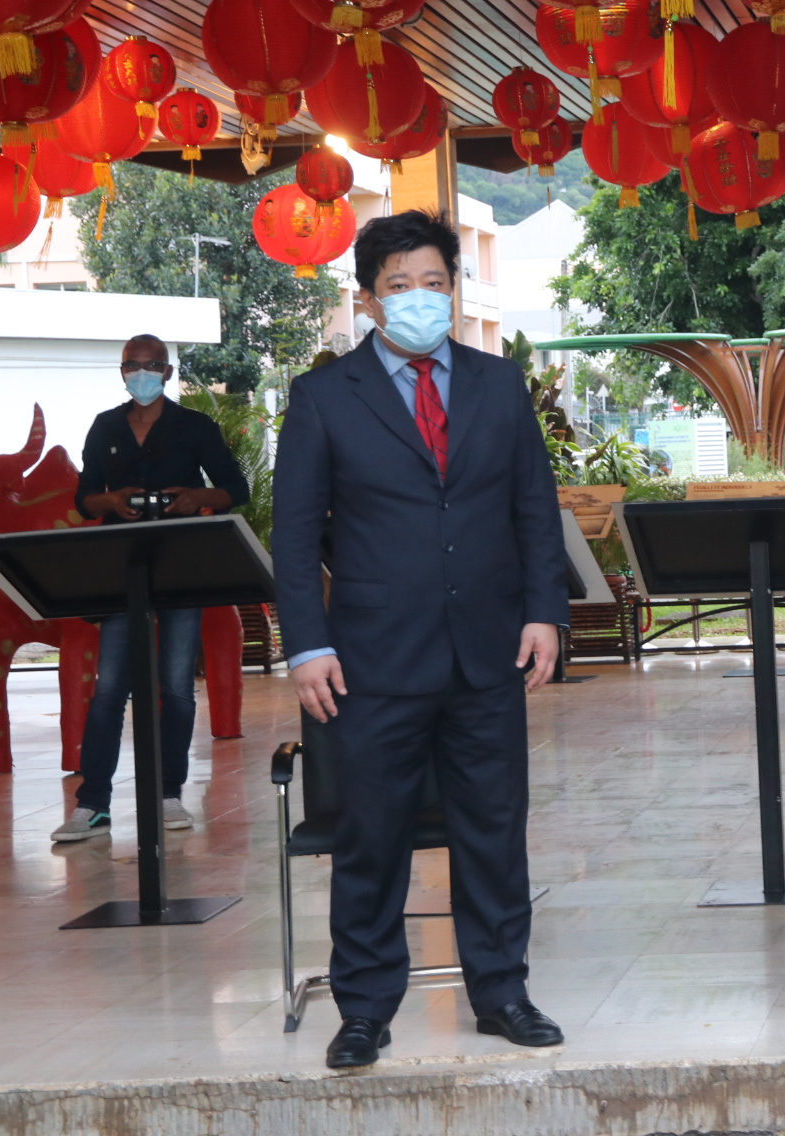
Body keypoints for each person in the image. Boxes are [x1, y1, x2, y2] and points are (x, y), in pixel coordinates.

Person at [273, 210, 570, 1070]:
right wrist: (307, 646)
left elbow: (532, 511)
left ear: (455, 290)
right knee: (373, 836)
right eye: (398, 287)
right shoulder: (325, 396)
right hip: (368, 662)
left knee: (492, 829)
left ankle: (503, 993)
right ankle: (364, 1007)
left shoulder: (497, 384)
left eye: (432, 284)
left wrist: (543, 612)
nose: (417, 299)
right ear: (368, 300)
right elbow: (295, 538)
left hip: (487, 653)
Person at [52, 339, 250, 842]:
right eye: (134, 366)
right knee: (109, 689)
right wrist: (112, 500)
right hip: (122, 567)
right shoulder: (105, 426)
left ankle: (168, 796)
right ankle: (92, 804)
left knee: (177, 688)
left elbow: (235, 488)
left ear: (167, 370)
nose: (143, 374)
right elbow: (84, 500)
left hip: (182, 565)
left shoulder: (194, 427)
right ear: (122, 371)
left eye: (153, 366)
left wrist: (195, 498)